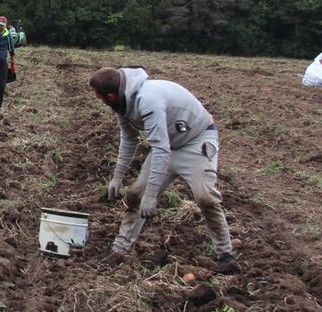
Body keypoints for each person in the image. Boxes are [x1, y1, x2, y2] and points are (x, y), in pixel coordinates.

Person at [89, 67, 238, 272]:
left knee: (206, 197)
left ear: (110, 95)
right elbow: (129, 139)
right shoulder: (121, 104)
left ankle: (225, 255)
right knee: (136, 196)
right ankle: (120, 249)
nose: (99, 100)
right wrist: (118, 177)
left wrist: (152, 195)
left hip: (196, 140)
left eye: (99, 97)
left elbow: (160, 148)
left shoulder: (147, 99)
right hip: (169, 144)